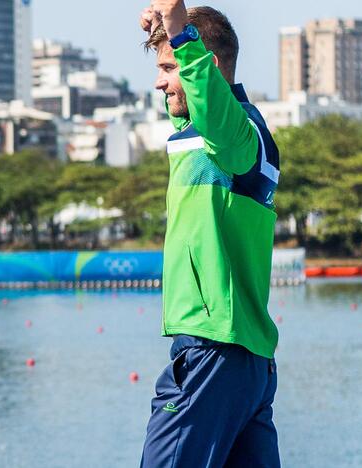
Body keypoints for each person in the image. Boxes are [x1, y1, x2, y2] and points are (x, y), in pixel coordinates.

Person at [138, 1, 281, 466]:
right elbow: (198, 113)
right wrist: (165, 30)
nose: (159, 82)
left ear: (206, 65)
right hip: (245, 357)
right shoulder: (203, 134)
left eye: (167, 68)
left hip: (213, 349)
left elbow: (212, 107)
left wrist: (179, 29)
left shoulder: (235, 134)